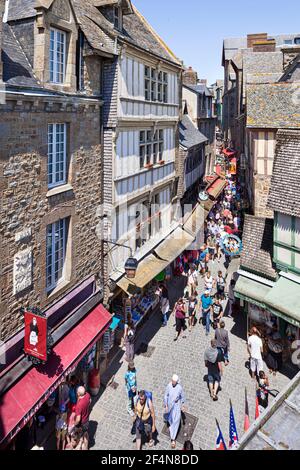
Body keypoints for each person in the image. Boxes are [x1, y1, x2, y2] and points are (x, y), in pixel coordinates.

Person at [164, 375, 186, 449]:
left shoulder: (179, 388)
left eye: (174, 382)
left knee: (176, 422)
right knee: (171, 420)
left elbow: (182, 396)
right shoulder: (169, 386)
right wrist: (166, 405)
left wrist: (182, 405)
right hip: (170, 406)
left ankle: (173, 439)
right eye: (172, 381)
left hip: (176, 406)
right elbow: (166, 395)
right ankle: (171, 429)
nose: (173, 382)